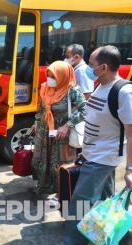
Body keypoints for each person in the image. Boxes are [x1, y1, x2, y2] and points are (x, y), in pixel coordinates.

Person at [55, 45, 132, 245]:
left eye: (91, 65)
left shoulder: (124, 92)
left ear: (103, 67)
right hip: (92, 154)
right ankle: (98, 232)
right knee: (103, 199)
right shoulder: (100, 86)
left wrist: (131, 170)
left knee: (79, 203)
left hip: (103, 158)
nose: (87, 68)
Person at [31, 61, 86, 198]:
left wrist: (68, 125)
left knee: (60, 162)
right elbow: (41, 110)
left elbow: (85, 110)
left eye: (54, 76)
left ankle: (62, 191)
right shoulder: (45, 88)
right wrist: (36, 122)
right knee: (42, 159)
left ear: (63, 76)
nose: (50, 79)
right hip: (44, 132)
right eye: (48, 75)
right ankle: (43, 187)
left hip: (62, 134)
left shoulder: (72, 91)